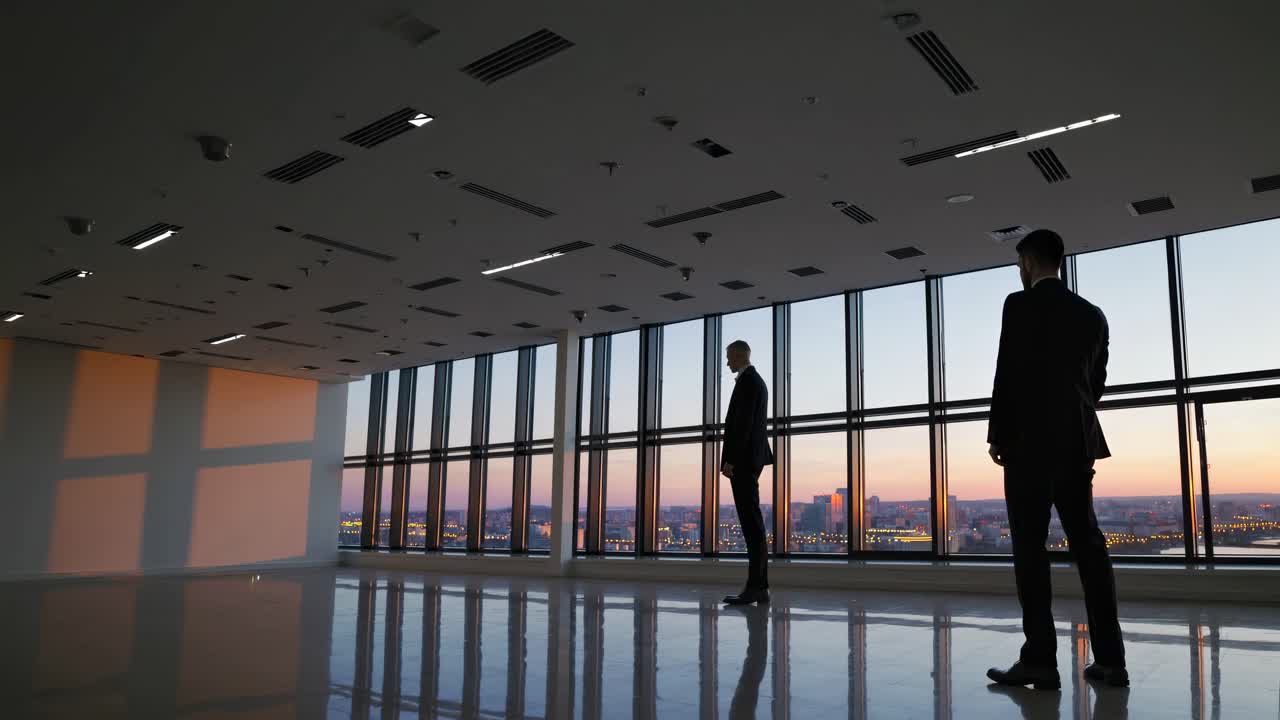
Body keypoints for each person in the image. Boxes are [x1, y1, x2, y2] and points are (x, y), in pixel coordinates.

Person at [985, 229, 1128, 690]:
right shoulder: (1092, 314)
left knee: (1030, 549)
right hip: (1075, 441)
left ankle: (1040, 661)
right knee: (1088, 545)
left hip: (1027, 444)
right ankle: (1111, 661)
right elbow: (1096, 382)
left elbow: (1007, 371)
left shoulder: (1018, 304)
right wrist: (1076, 417)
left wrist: (998, 435)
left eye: (1019, 264)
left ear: (1028, 261)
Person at [721, 339, 774, 605]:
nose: (727, 362)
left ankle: (756, 587)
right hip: (751, 458)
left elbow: (741, 425)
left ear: (740, 356)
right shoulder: (754, 381)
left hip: (743, 461)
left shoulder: (749, 382)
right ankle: (760, 587)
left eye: (729, 356)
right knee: (753, 524)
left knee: (751, 524)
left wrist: (730, 460)